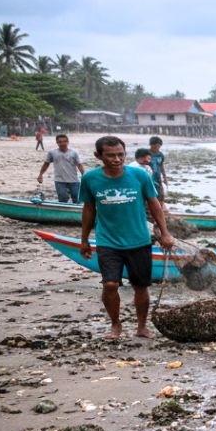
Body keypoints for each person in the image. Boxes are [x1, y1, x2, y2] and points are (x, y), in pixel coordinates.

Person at [78, 135, 175, 339]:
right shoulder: (90, 179)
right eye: (111, 155)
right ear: (99, 156)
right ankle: (116, 324)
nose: (116, 159)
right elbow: (88, 209)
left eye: (120, 154)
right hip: (107, 240)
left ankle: (141, 327)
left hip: (138, 239)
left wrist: (164, 233)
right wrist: (84, 239)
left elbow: (154, 203)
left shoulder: (139, 175)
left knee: (141, 286)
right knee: (110, 284)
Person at [36, 134, 86, 203]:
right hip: (59, 181)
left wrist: (85, 176)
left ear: (68, 142)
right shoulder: (52, 153)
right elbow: (46, 164)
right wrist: (40, 174)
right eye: (60, 142)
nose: (62, 143)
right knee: (63, 199)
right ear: (57, 142)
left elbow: (79, 165)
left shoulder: (74, 153)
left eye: (64, 141)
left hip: (74, 180)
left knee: (77, 199)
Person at [147, 136, 167, 203]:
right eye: (155, 146)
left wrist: (165, 177)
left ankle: (160, 210)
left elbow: (161, 166)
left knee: (161, 194)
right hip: (149, 177)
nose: (157, 148)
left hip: (157, 177)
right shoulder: (146, 154)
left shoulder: (160, 155)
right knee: (149, 194)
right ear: (151, 145)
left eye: (158, 146)